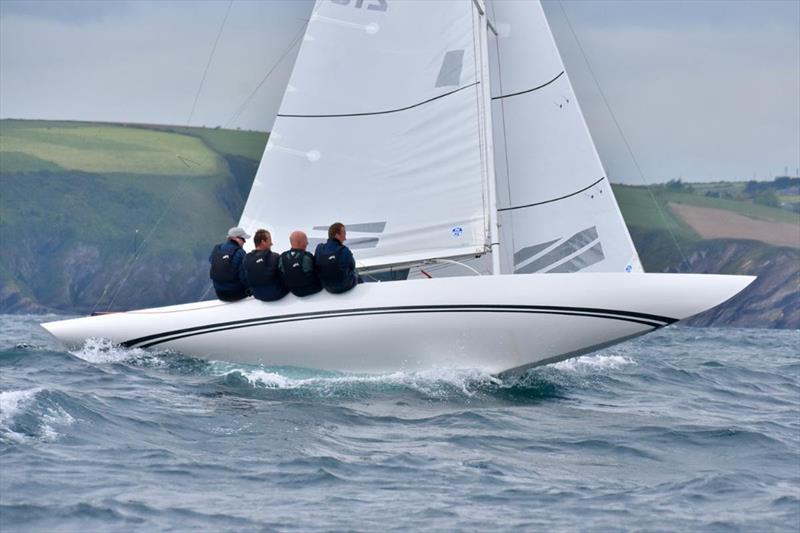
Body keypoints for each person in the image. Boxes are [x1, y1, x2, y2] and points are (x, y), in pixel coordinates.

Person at [314, 222, 361, 294]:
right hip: (345, 286)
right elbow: (352, 266)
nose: (345, 238)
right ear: (337, 235)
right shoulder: (344, 250)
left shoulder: (319, 248)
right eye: (344, 234)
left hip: (327, 287)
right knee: (356, 273)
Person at [244, 229, 288, 302]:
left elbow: (245, 278)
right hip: (277, 293)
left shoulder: (246, 258)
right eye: (269, 240)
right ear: (263, 242)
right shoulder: (275, 256)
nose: (271, 243)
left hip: (258, 295)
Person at [209, 226, 250, 302]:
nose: (245, 242)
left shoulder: (217, 248)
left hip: (220, 294)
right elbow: (244, 277)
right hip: (236, 294)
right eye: (243, 239)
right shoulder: (240, 252)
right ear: (236, 238)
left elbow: (211, 261)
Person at [279, 230, 322, 297]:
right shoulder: (307, 256)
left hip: (293, 291)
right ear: (300, 243)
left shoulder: (282, 257)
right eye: (305, 240)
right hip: (313, 289)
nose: (307, 243)